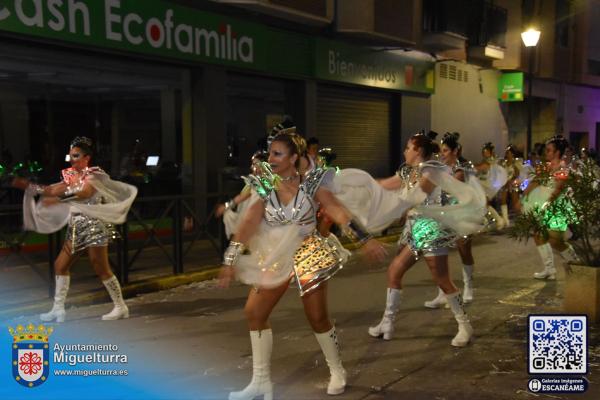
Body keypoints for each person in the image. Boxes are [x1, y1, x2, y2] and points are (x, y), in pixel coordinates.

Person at [218, 131, 386, 399]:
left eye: (277, 153)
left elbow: (336, 210)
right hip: (275, 255)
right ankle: (261, 382)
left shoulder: (311, 185)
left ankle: (336, 370)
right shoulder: (264, 187)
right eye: (270, 153)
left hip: (308, 252)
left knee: (316, 317)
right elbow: (249, 223)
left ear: (294, 157)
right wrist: (230, 260)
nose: (271, 158)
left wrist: (363, 239)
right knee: (254, 312)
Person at [368, 131, 486, 346]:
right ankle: (387, 323)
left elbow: (417, 195)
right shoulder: (408, 171)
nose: (404, 150)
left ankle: (464, 325)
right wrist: (363, 185)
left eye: (408, 147)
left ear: (418, 151)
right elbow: (387, 184)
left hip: (430, 229)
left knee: (442, 280)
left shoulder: (431, 171)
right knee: (394, 270)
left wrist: (394, 207)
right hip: (414, 228)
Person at [12, 137, 137, 322]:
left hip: (94, 225)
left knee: (101, 267)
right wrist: (29, 186)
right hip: (76, 226)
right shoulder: (70, 176)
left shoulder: (95, 174)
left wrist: (60, 200)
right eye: (70, 156)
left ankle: (120, 307)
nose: (72, 160)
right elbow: (51, 190)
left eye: (76, 156)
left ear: (87, 157)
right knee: (60, 265)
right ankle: (58, 309)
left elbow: (85, 193)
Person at [424, 132, 481, 307]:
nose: (443, 154)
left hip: (462, 212)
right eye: (441, 150)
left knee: (464, 250)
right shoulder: (440, 166)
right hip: (444, 212)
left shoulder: (463, 167)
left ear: (456, 150)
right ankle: (442, 293)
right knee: (440, 252)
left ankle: (468, 287)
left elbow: (452, 187)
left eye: (446, 150)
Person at [522, 135, 580, 280]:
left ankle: (576, 263)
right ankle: (549, 269)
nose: (546, 153)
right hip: (542, 206)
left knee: (555, 240)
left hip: (556, 208)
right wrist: (525, 193)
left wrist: (548, 203)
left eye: (549, 150)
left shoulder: (562, 168)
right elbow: (535, 181)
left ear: (557, 152)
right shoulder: (545, 167)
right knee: (538, 235)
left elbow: (559, 189)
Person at [475, 142, 508, 229]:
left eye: (486, 151)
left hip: (489, 184)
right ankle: (493, 220)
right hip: (483, 183)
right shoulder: (485, 161)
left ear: (490, 152)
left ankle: (500, 220)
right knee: (483, 203)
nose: (484, 153)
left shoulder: (492, 161)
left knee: (485, 203)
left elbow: (484, 167)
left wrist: (474, 167)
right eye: (483, 152)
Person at [499, 145, 523, 226]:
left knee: (515, 202)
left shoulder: (516, 163)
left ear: (512, 154)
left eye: (508, 152)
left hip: (513, 184)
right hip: (505, 184)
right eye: (506, 152)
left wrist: (511, 180)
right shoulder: (503, 163)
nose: (507, 154)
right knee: (503, 200)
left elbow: (517, 174)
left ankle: (521, 219)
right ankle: (506, 220)